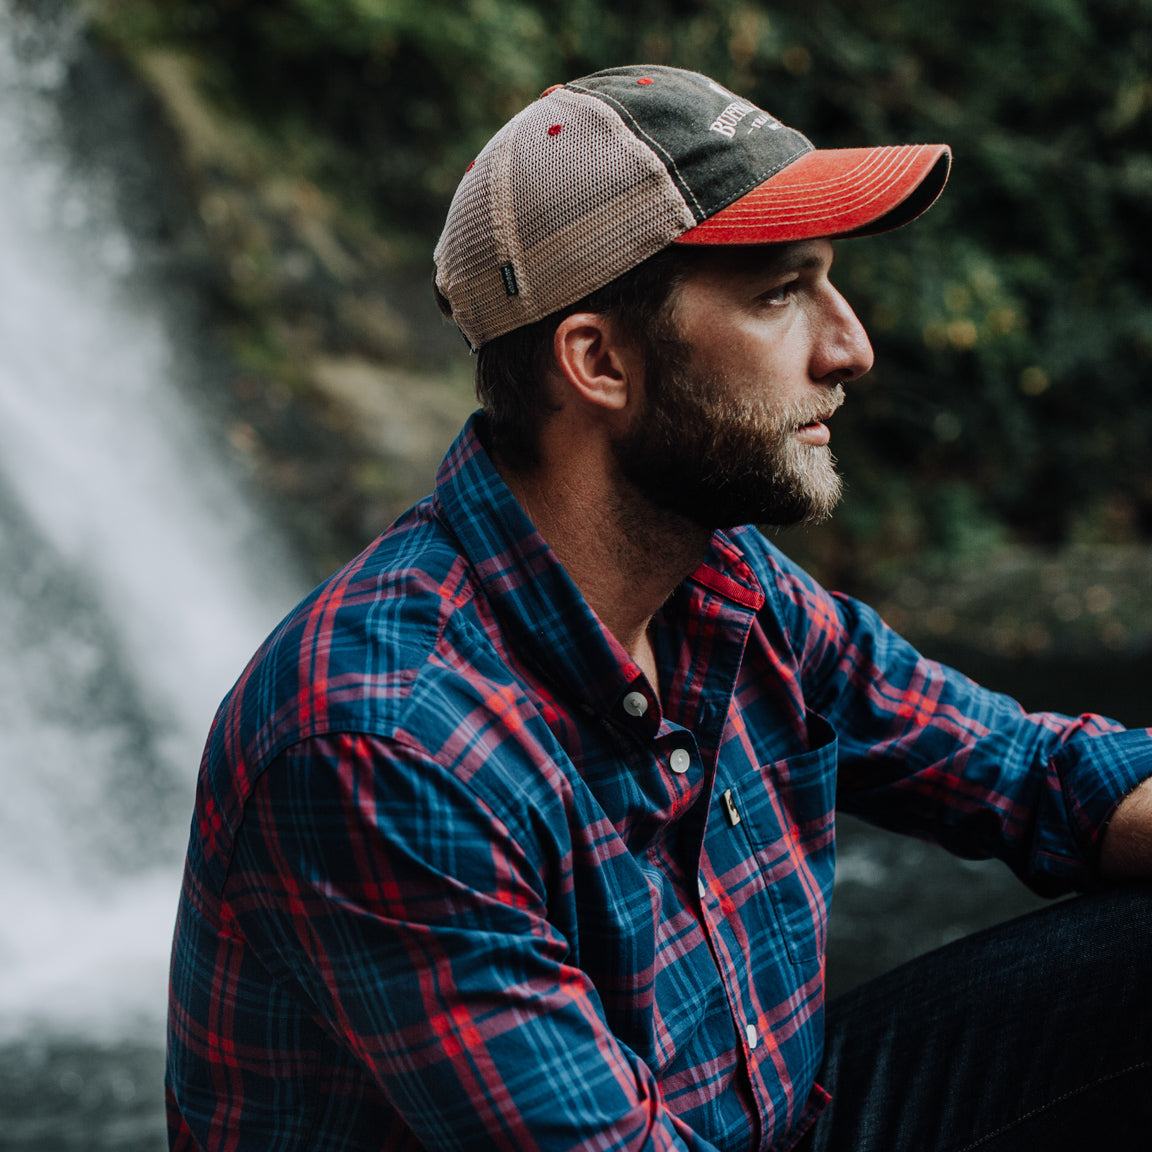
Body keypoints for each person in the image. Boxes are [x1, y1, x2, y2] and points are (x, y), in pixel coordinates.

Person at [165, 64, 1152, 1151]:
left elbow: (1041, 779)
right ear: (598, 361)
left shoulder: (729, 585)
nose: (851, 347)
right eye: (782, 293)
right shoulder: (383, 741)